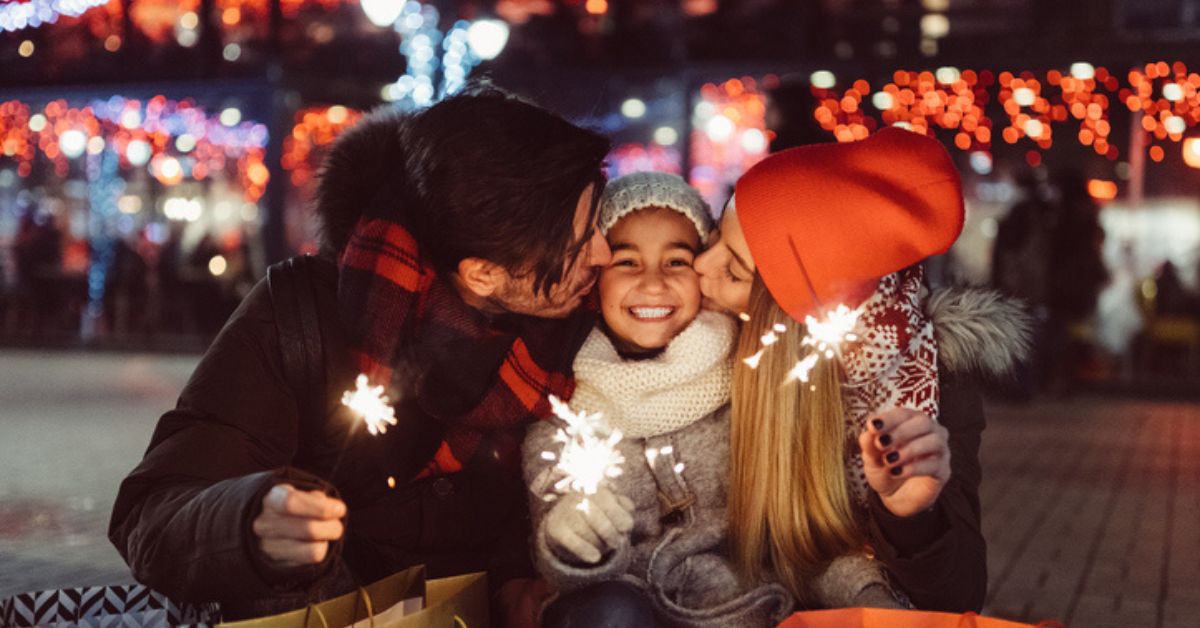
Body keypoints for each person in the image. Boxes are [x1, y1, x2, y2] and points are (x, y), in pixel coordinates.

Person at [108, 87, 613, 626]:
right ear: (482, 275)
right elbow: (151, 513)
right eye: (580, 242)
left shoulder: (580, 327)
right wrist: (250, 523)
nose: (605, 253)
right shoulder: (301, 317)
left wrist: (516, 577)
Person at [522, 172, 901, 628]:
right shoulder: (564, 420)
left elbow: (807, 547)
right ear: (595, 278)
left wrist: (870, 594)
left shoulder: (753, 393)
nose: (654, 282)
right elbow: (563, 563)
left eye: (677, 261)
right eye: (626, 262)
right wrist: (571, 542)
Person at [693, 128, 1032, 612]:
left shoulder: (932, 383)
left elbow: (958, 596)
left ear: (790, 323)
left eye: (733, 272)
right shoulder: (704, 347)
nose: (700, 267)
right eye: (712, 238)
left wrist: (913, 516)